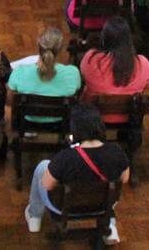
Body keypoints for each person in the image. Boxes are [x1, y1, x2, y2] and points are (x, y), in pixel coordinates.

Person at [23, 104, 129, 242]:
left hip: (64, 207)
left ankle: (34, 217)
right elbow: (124, 178)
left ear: (75, 129)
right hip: (103, 206)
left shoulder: (66, 157)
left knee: (42, 167)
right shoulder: (117, 151)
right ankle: (109, 226)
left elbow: (47, 185)